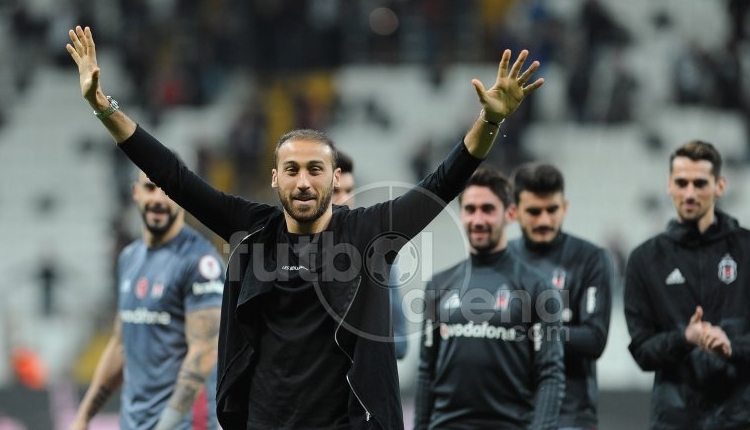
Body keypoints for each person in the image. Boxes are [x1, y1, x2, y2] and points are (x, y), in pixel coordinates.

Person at [66, 25, 544, 430]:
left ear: (335, 179)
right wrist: (103, 106)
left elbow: (443, 183)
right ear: (275, 178)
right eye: (291, 170)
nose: (303, 180)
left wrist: (489, 120)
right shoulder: (252, 228)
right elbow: (174, 178)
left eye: (316, 169)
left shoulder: (368, 234)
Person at [70, 170, 225, 430]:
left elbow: (204, 352)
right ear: (136, 193)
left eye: (168, 191)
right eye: (151, 188)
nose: (159, 199)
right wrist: (83, 417)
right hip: (134, 423)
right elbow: (121, 345)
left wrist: (166, 425)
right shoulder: (129, 258)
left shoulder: (201, 262)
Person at [414, 166, 565, 430]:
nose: (478, 219)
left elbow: (550, 375)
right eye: (470, 210)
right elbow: (426, 372)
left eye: (488, 209)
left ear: (510, 214)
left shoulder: (539, 289)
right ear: (461, 214)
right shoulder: (438, 285)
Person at [624, 140, 750, 430]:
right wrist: (686, 338)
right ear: (669, 185)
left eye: (700, 183)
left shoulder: (747, 249)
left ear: (720, 186)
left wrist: (733, 346)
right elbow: (642, 350)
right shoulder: (645, 259)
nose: (689, 193)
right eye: (681, 183)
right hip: (675, 420)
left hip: (740, 417)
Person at [508, 162, 613, 430]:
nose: (544, 220)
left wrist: (529, 332)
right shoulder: (500, 259)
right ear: (514, 212)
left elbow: (594, 339)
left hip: (569, 415)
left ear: (564, 207)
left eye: (552, 210)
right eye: (533, 211)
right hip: (508, 410)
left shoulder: (590, 258)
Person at [333, 151, 409, 359]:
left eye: (349, 190)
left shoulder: (378, 258)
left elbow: (401, 343)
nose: (344, 199)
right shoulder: (290, 255)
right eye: (334, 191)